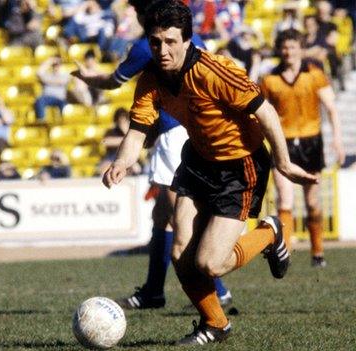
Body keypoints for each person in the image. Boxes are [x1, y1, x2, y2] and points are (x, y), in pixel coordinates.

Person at [103, 0, 317, 344]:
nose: (162, 50)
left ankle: (270, 232)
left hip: (240, 166)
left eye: (171, 41)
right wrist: (121, 162)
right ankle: (215, 324)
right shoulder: (150, 80)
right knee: (181, 254)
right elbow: (139, 130)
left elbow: (267, 115)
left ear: (187, 40)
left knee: (211, 265)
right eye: (156, 42)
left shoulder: (215, 71)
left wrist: (282, 161)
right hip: (198, 162)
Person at [72, 0, 233, 311]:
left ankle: (217, 289)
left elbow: (112, 82)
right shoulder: (184, 37)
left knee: (181, 219)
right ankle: (154, 292)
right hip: (191, 129)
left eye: (136, 9)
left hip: (177, 134)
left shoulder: (149, 46)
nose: (134, 16)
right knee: (163, 215)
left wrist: (87, 76)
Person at [260, 29, 345, 267]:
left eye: (293, 46)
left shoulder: (314, 74)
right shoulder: (269, 79)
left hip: (311, 141)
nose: (288, 51)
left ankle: (317, 252)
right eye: (285, 47)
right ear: (279, 49)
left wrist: (337, 139)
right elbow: (261, 114)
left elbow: (331, 108)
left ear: (300, 48)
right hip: (282, 142)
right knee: (285, 200)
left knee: (312, 202)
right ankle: (284, 255)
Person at [34, 56, 71, 121]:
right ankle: (41, 121)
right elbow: (38, 72)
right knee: (39, 101)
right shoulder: (48, 74)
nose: (56, 66)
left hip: (60, 99)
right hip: (47, 97)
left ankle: (64, 122)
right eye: (54, 65)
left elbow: (62, 81)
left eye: (57, 64)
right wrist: (49, 61)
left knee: (65, 104)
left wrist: (47, 81)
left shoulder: (65, 75)